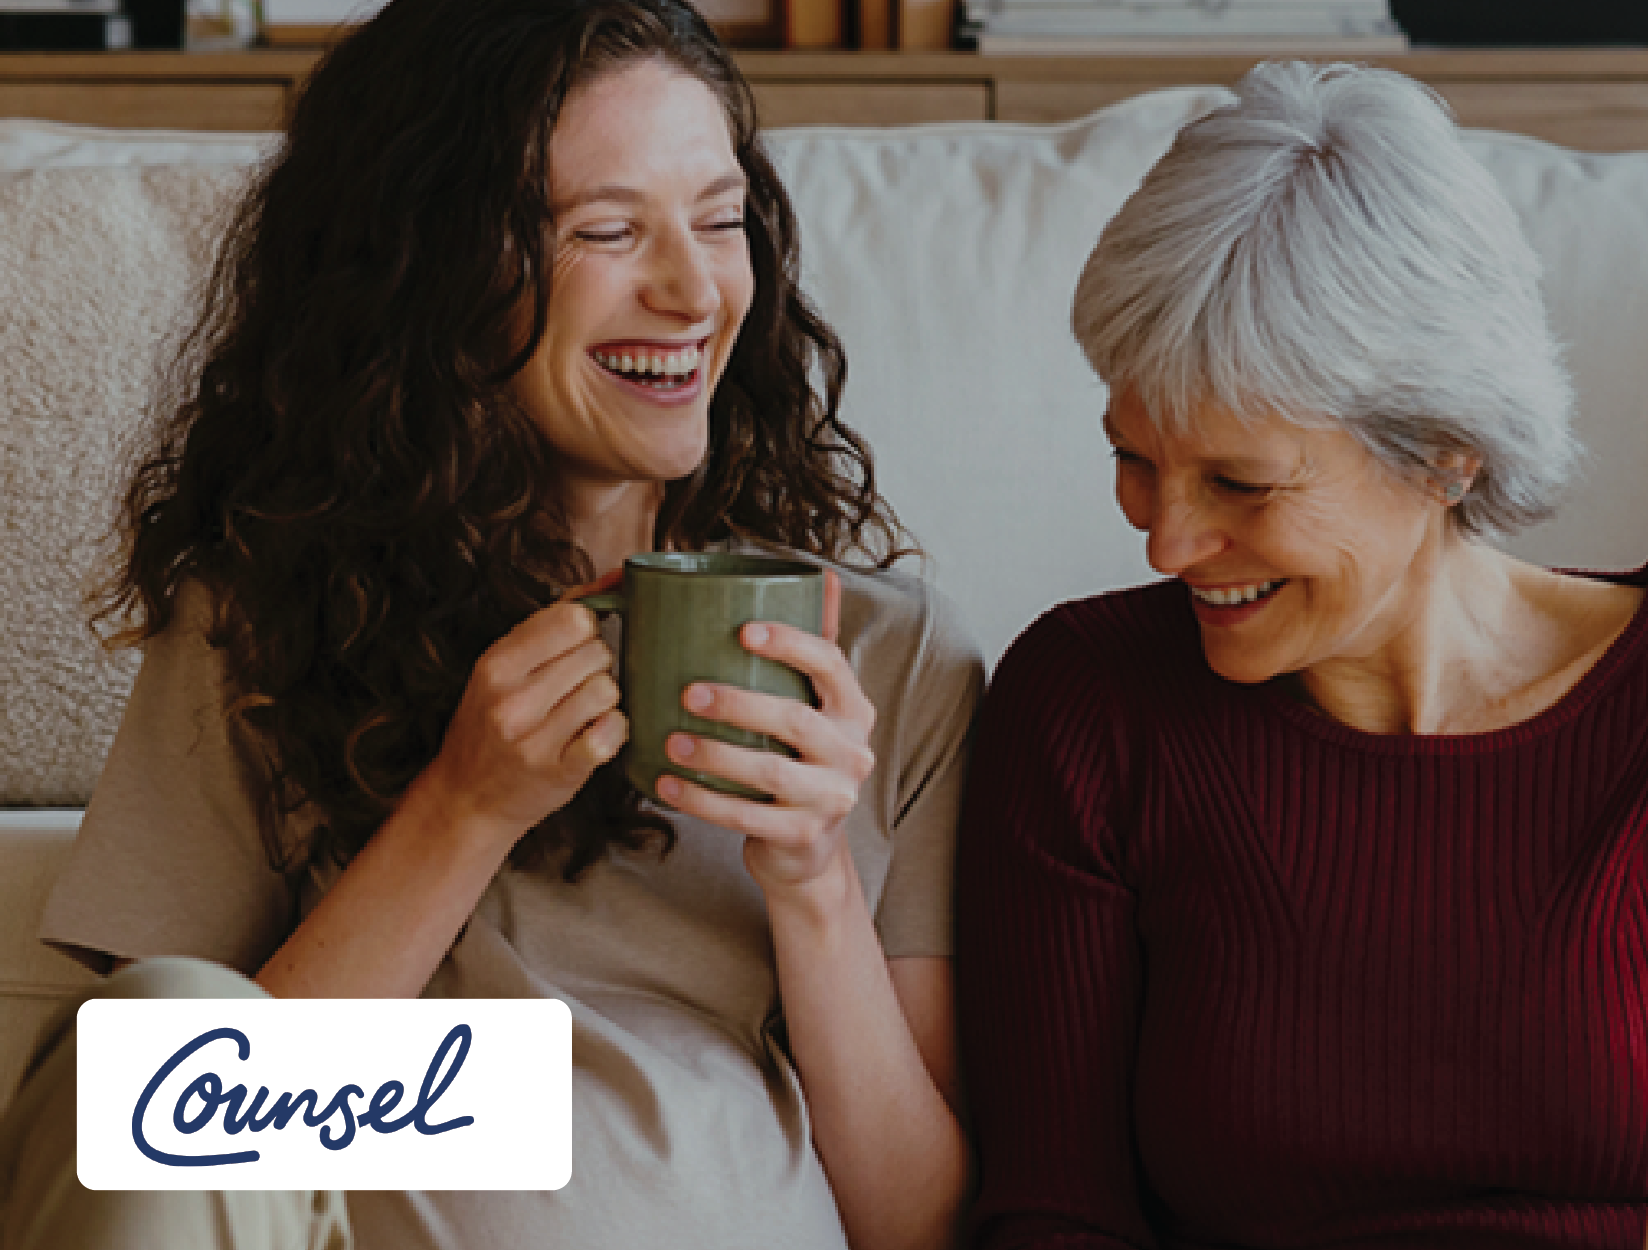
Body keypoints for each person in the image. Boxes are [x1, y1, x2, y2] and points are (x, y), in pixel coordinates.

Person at [2, 0, 982, 1246]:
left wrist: (813, 877)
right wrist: (464, 805)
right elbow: (144, 1145)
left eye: (720, 219)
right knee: (160, 1032)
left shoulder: (889, 655)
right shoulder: (260, 616)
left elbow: (917, 1223)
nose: (692, 291)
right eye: (607, 230)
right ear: (435, 268)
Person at [955, 59, 1648, 1250]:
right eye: (1133, 458)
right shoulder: (1087, 707)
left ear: (1444, 452)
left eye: (1239, 481)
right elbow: (1053, 1209)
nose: (1165, 540)